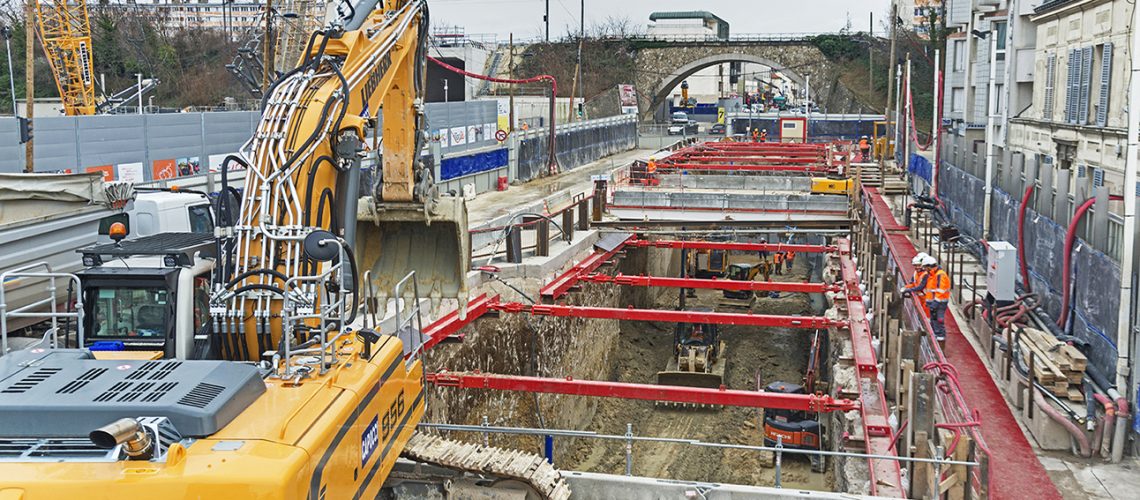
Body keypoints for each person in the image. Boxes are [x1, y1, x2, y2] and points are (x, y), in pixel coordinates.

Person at [922, 255, 952, 342]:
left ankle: (940, 336)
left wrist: (935, 302)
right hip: (935, 302)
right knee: (934, 319)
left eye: (925, 267)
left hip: (940, 302)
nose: (925, 269)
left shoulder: (940, 275)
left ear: (929, 266)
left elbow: (940, 290)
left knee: (939, 319)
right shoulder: (933, 274)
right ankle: (936, 334)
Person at [904, 253, 931, 317]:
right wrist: (905, 287)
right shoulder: (916, 273)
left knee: (926, 318)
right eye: (915, 265)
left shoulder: (926, 274)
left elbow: (920, 287)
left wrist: (908, 290)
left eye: (919, 265)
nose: (917, 267)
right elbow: (913, 283)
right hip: (920, 299)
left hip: (927, 300)